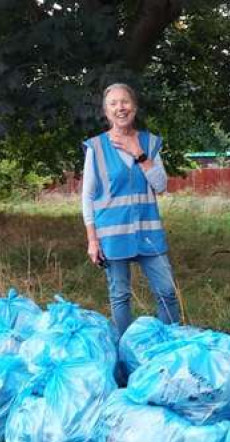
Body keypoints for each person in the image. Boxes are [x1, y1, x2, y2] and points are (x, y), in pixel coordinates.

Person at [81, 83, 181, 337]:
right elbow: (88, 196)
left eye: (125, 102)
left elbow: (160, 186)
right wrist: (92, 240)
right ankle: (126, 352)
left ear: (134, 107)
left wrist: (139, 153)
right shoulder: (97, 147)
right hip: (112, 235)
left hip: (148, 233)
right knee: (120, 295)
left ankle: (170, 346)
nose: (120, 108)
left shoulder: (149, 143)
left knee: (167, 291)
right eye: (113, 103)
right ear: (106, 111)